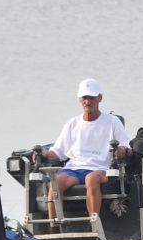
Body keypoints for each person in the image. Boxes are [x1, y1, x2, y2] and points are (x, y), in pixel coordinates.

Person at [38, 78, 131, 229]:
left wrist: (121, 151)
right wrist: (43, 153)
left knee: (91, 179)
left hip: (101, 168)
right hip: (74, 168)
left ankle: (94, 224)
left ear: (100, 98)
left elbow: (126, 147)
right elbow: (58, 152)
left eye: (92, 97)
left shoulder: (113, 122)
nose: (88, 101)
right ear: (80, 99)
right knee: (56, 182)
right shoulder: (72, 123)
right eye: (85, 98)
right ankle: (53, 226)